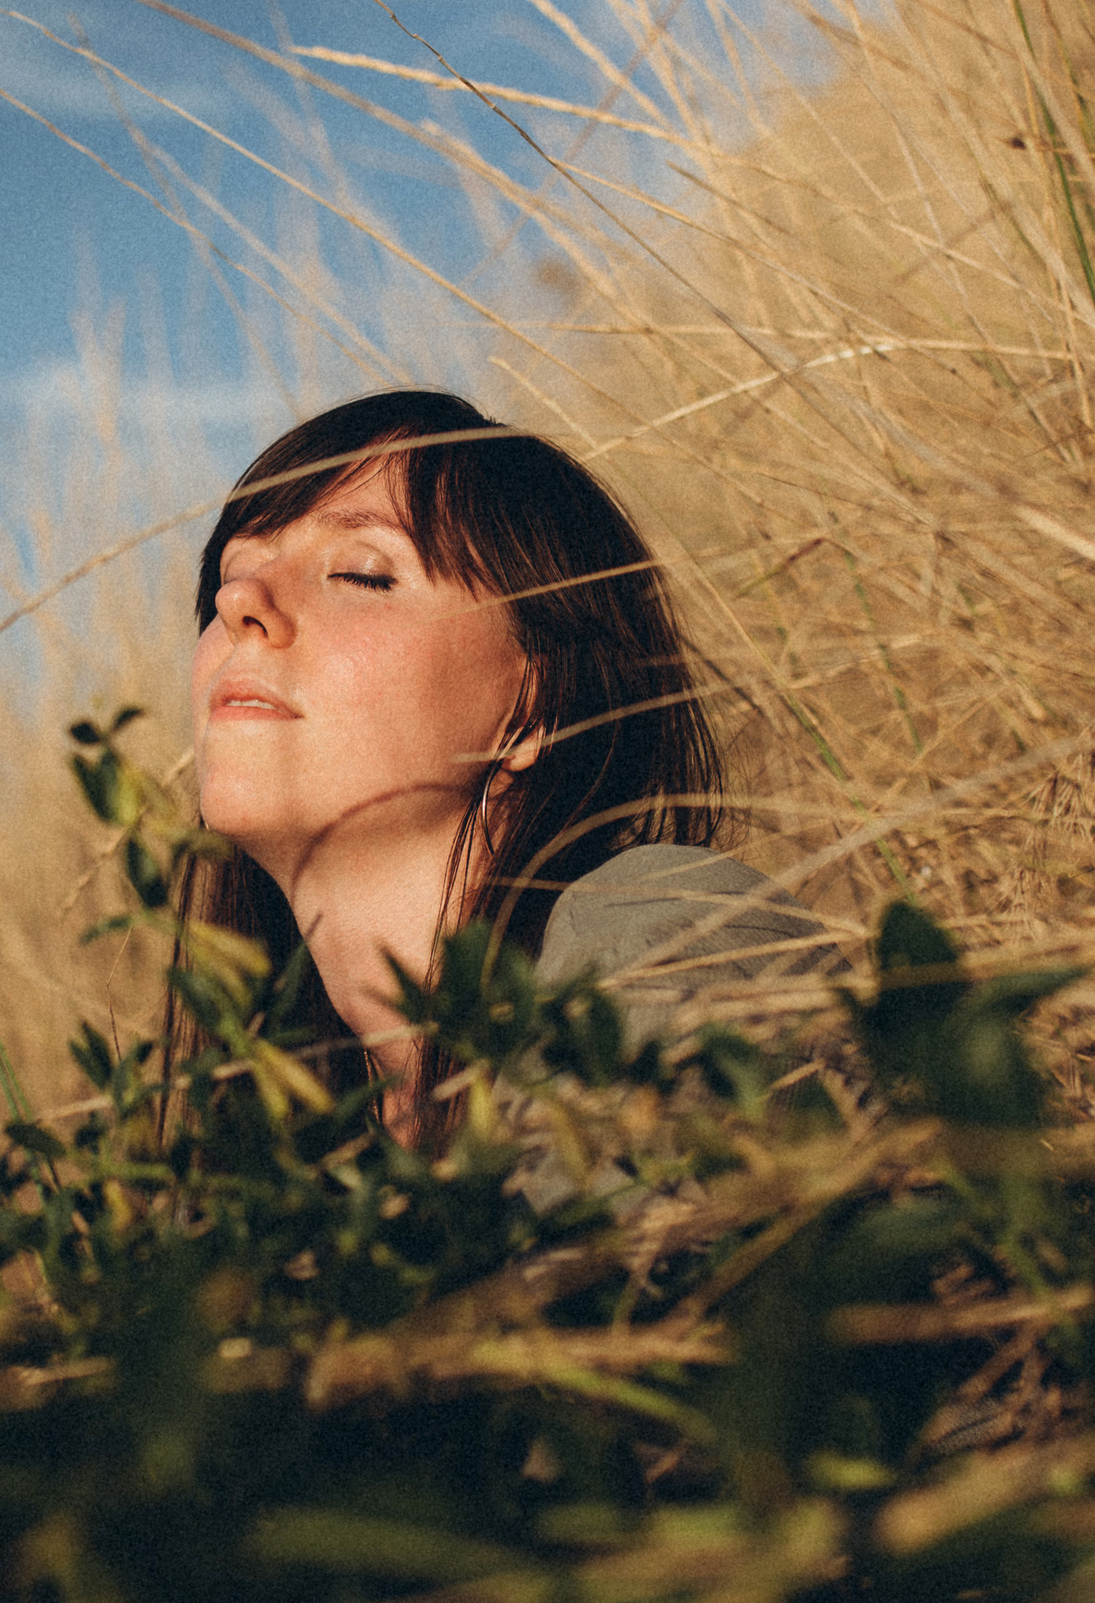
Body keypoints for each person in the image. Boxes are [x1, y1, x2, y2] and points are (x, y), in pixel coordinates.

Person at [182, 388, 822, 1139]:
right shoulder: (295, 1144)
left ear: (532, 706)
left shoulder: (653, 937)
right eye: (232, 572)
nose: (240, 602)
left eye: (361, 572)